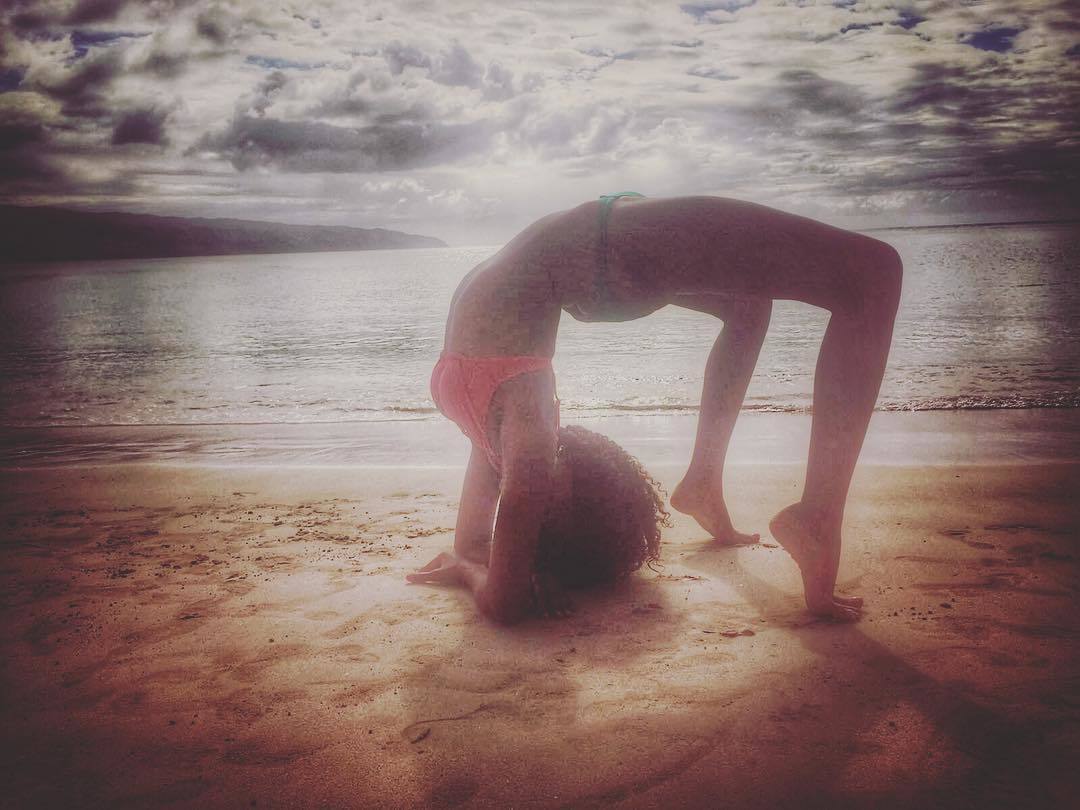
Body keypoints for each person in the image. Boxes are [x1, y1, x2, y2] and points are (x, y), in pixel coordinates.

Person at [410, 194, 902, 623]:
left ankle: (706, 481)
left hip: (601, 252)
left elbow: (475, 555)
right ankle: (816, 515)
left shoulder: (510, 452)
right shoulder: (524, 455)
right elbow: (505, 602)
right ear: (559, 501)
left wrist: (475, 566)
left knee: (750, 306)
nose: (608, 457)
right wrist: (484, 567)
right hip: (603, 250)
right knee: (870, 272)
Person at [407, 426, 668, 615]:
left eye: (547, 505)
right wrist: (515, 567)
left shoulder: (496, 447)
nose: (533, 488)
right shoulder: (511, 443)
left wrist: (485, 568)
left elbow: (470, 548)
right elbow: (471, 547)